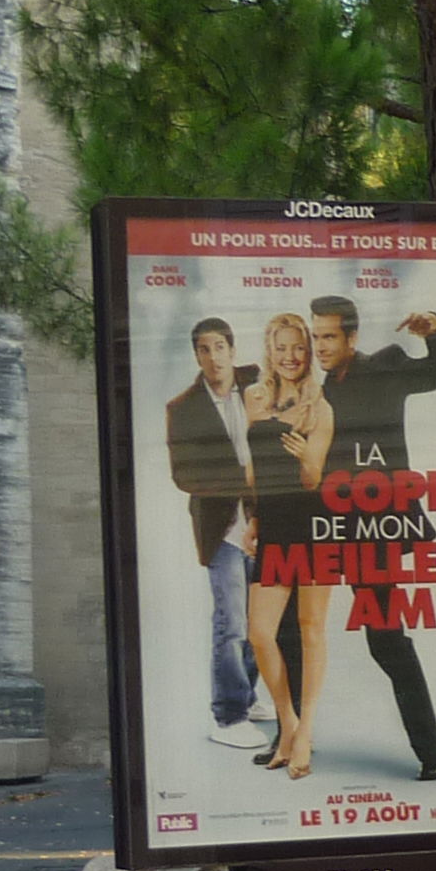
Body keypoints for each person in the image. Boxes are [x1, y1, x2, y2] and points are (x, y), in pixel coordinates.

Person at [309, 298, 436, 782]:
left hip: (375, 527)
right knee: (284, 624)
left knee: (386, 640)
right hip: (322, 522)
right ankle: (290, 735)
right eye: (316, 337)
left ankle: (431, 751)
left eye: (328, 337)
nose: (320, 347)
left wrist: (434, 330)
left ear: (351, 338)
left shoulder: (386, 365)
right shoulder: (318, 387)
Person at [163, 318, 274, 751]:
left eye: (219, 347)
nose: (213, 357)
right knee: (232, 624)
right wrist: (243, 483)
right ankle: (228, 718)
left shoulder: (258, 385)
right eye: (203, 350)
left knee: (263, 623)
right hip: (224, 531)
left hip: (267, 526)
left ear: (231, 349)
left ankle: (245, 694)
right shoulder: (183, 408)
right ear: (197, 356)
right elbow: (184, 474)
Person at [241, 314, 336, 780]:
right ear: (270, 349)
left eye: (299, 347)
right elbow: (255, 465)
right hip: (274, 524)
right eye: (282, 347)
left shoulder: (322, 407)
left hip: (314, 524)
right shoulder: (254, 397)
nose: (291, 356)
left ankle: (306, 732)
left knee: (310, 626)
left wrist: (305, 457)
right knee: (261, 632)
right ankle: (289, 722)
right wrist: (254, 516)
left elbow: (314, 479)